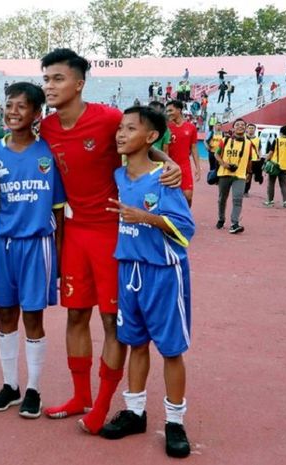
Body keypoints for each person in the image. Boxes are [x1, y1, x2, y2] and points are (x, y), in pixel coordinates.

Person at [37, 48, 181, 434]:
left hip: (112, 233)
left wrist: (169, 161)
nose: (50, 86)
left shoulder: (109, 118)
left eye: (58, 78)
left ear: (79, 83)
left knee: (111, 320)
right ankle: (80, 396)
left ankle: (103, 405)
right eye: (47, 79)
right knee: (76, 314)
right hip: (75, 232)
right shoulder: (47, 127)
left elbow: (142, 137)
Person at [100, 106, 195, 459]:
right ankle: (135, 412)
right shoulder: (120, 175)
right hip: (129, 270)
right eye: (119, 128)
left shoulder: (165, 179)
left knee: (171, 349)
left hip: (164, 273)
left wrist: (147, 218)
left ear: (151, 136)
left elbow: (186, 230)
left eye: (130, 129)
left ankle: (174, 421)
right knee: (135, 343)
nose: (121, 134)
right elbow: (144, 150)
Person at [0, 82, 65, 419]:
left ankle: (33, 388)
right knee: (5, 315)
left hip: (38, 244)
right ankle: (10, 385)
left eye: (22, 106)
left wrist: (58, 255)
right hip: (4, 244)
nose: (14, 112)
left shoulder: (48, 152)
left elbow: (58, 208)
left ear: (37, 113)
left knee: (33, 316)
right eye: (10, 105)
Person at [213, 118, 258, 233]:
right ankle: (221, 219)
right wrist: (224, 164)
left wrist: (249, 173)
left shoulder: (249, 143)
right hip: (224, 173)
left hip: (240, 175)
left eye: (243, 125)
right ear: (233, 128)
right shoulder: (225, 140)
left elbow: (250, 160)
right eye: (237, 125)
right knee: (222, 199)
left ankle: (234, 223)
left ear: (246, 128)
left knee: (238, 199)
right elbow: (216, 155)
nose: (240, 126)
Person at [166, 100, 200, 206]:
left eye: (171, 110)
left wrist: (198, 167)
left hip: (184, 166)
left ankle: (185, 217)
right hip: (169, 166)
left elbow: (194, 148)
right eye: (167, 111)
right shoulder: (166, 127)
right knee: (170, 197)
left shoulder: (191, 127)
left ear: (179, 110)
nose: (168, 113)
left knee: (188, 195)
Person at [263, 125, 286, 208]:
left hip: (275, 165)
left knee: (271, 183)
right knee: (283, 184)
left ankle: (270, 201)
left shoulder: (277, 140)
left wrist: (265, 161)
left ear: (280, 132)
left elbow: (271, 152)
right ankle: (285, 201)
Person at [244, 123, 263, 196]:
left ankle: (246, 191)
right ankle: (244, 190)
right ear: (247, 129)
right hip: (246, 159)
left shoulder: (258, 139)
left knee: (253, 176)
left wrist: (260, 157)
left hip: (255, 160)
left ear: (255, 130)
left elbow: (259, 149)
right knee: (246, 175)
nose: (251, 129)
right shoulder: (244, 138)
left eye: (252, 128)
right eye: (250, 128)